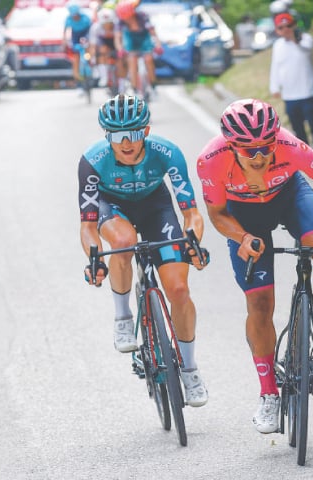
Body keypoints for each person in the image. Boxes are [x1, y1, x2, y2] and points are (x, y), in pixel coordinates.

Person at [196, 99, 313, 433]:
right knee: (259, 304)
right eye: (250, 152)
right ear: (232, 146)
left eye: (266, 147)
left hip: (290, 196)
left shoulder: (292, 147)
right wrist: (242, 237)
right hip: (244, 217)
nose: (261, 156)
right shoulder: (211, 160)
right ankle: (268, 394)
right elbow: (218, 214)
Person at [78, 94, 209, 407]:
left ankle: (190, 368)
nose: (126, 143)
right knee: (122, 242)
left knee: (178, 290)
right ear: (106, 136)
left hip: (156, 206)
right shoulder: (93, 161)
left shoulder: (167, 153)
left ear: (146, 131)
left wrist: (193, 241)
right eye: (117, 136)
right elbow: (87, 225)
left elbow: (190, 212)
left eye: (133, 134)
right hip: (113, 206)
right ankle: (123, 318)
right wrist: (94, 259)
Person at [269, 12, 313, 157]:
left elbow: (306, 50)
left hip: (308, 93)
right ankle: (306, 156)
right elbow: (276, 67)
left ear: (294, 25)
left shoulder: (306, 40)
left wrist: (294, 38)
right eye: (281, 28)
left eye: (289, 26)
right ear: (277, 31)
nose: (285, 30)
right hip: (290, 95)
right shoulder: (278, 45)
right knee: (298, 129)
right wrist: (274, 86)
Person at [114, 0, 163, 98]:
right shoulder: (120, 22)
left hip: (144, 40)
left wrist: (158, 45)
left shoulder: (143, 17)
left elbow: (153, 32)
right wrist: (120, 49)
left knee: (149, 59)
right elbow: (117, 38)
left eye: (128, 17)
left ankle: (153, 85)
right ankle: (134, 88)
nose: (127, 19)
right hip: (131, 41)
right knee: (132, 61)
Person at [90, 7, 125, 95]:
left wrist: (121, 50)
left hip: (116, 43)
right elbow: (93, 45)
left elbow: (121, 40)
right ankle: (104, 76)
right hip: (103, 43)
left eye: (109, 23)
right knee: (102, 51)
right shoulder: (95, 28)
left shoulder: (118, 26)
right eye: (104, 24)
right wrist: (93, 57)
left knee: (120, 60)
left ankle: (122, 83)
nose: (107, 26)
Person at [64, 2, 93, 93]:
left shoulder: (85, 18)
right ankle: (79, 83)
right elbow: (65, 32)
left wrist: (91, 42)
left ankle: (92, 64)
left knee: (88, 51)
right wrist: (64, 42)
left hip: (86, 34)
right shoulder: (68, 19)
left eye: (76, 15)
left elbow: (92, 31)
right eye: (73, 15)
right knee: (76, 58)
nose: (74, 17)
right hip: (75, 37)